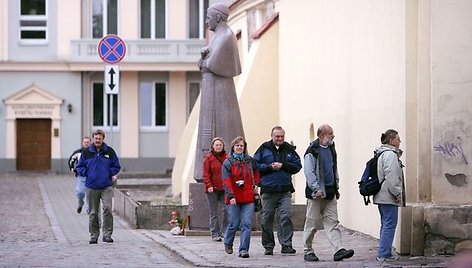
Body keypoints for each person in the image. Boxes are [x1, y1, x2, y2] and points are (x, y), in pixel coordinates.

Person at [193, 2, 244, 183]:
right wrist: (203, 58)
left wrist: (205, 59)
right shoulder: (216, 37)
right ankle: (204, 172)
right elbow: (203, 64)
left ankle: (227, 170)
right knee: (208, 129)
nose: (207, 22)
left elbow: (211, 65)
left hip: (221, 90)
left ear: (218, 17)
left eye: (208, 17)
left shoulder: (227, 36)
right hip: (210, 89)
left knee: (222, 125)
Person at [302, 124, 354, 262]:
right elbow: (309, 172)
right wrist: (316, 188)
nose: (333, 135)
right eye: (330, 133)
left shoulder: (331, 148)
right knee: (312, 224)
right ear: (321, 135)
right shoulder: (312, 150)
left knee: (333, 222)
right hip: (316, 194)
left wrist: (336, 187)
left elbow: (333, 168)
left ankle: (338, 249)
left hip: (330, 193)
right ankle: (308, 250)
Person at [253, 126, 302, 255]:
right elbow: (255, 165)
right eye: (277, 136)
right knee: (267, 218)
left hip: (285, 190)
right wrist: (269, 167)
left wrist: (283, 166)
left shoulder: (289, 149)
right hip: (268, 190)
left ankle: (286, 245)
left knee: (285, 216)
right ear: (272, 136)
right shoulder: (263, 148)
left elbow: (297, 166)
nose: (279, 139)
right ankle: (268, 246)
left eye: (282, 136)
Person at [76, 129, 121, 244]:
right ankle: (94, 235)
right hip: (91, 186)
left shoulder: (109, 151)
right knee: (93, 212)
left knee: (107, 209)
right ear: (93, 139)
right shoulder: (86, 152)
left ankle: (107, 235)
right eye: (96, 138)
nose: (98, 140)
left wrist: (109, 173)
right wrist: (87, 173)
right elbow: (79, 167)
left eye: (100, 138)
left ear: (103, 139)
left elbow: (116, 166)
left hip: (106, 186)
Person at [222, 136, 260, 258]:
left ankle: (244, 250)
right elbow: (226, 181)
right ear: (233, 147)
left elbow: (257, 173)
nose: (239, 147)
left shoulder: (250, 161)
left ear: (244, 148)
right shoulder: (228, 162)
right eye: (237, 145)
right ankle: (228, 242)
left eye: (241, 146)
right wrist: (231, 195)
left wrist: (256, 184)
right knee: (234, 222)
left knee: (247, 224)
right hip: (233, 198)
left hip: (248, 197)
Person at [373, 129, 405, 262]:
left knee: (385, 223)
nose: (400, 141)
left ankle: (383, 251)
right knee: (390, 224)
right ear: (391, 140)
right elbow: (391, 176)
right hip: (388, 195)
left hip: (382, 195)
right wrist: (397, 193)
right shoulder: (390, 155)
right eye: (398, 139)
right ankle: (384, 253)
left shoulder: (381, 154)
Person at [203, 137, 229, 242]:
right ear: (213, 146)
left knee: (227, 210)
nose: (218, 147)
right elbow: (206, 174)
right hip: (212, 189)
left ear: (223, 146)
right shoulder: (208, 158)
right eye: (217, 145)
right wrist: (209, 185)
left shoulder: (227, 157)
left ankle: (225, 231)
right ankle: (215, 233)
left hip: (224, 189)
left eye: (220, 145)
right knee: (213, 213)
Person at [68, 136, 91, 214]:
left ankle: (89, 209)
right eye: (85, 142)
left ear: (90, 143)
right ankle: (80, 203)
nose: (86, 144)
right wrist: (72, 169)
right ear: (82, 143)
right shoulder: (78, 152)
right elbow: (71, 160)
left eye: (88, 142)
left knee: (89, 192)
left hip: (90, 175)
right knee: (80, 192)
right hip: (80, 175)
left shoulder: (94, 152)